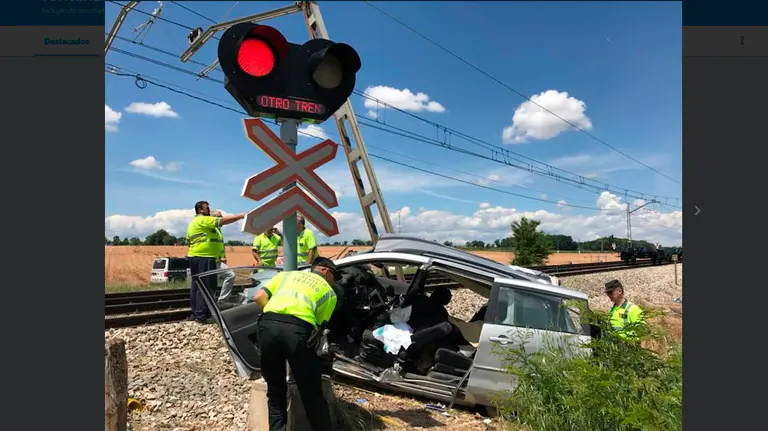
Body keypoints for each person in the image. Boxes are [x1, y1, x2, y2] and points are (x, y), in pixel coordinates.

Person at [253, 257, 343, 431]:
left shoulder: (285, 276)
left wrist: (276, 320)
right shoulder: (329, 293)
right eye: (335, 277)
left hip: (267, 327)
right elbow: (318, 327)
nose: (334, 282)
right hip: (297, 331)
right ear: (325, 271)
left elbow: (259, 296)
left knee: (275, 389)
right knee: (310, 391)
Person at [186, 201, 245, 324]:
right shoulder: (203, 220)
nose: (209, 210)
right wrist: (241, 215)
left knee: (197, 286)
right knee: (207, 286)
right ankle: (203, 315)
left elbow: (188, 240)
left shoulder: (195, 222)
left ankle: (196, 313)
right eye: (207, 208)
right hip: (205, 257)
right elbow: (222, 221)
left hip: (195, 256)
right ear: (201, 210)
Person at [211, 210, 236, 302]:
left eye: (221, 216)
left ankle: (222, 300)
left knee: (230, 275)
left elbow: (220, 246)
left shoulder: (218, 230)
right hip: (211, 260)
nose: (221, 218)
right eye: (218, 216)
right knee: (212, 282)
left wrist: (223, 257)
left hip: (218, 261)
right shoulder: (211, 229)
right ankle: (212, 301)